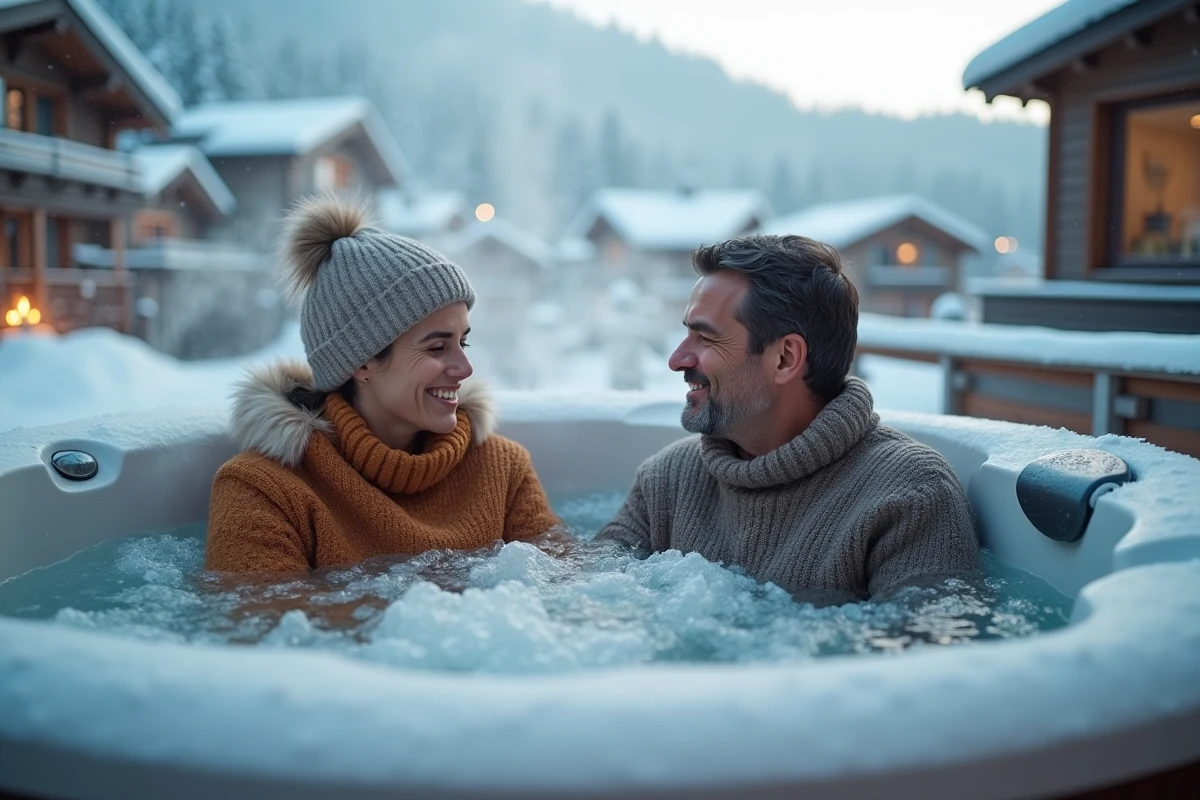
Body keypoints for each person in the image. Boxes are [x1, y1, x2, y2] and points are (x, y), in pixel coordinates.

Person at [595, 234, 979, 603]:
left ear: (785, 359)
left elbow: (920, 655)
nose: (677, 359)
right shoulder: (667, 480)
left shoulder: (910, 496)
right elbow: (580, 602)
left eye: (706, 338)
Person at [205, 194, 560, 573]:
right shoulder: (264, 490)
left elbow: (570, 596)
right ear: (362, 362)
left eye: (463, 342)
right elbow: (261, 625)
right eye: (438, 347)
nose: (465, 368)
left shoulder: (502, 470)